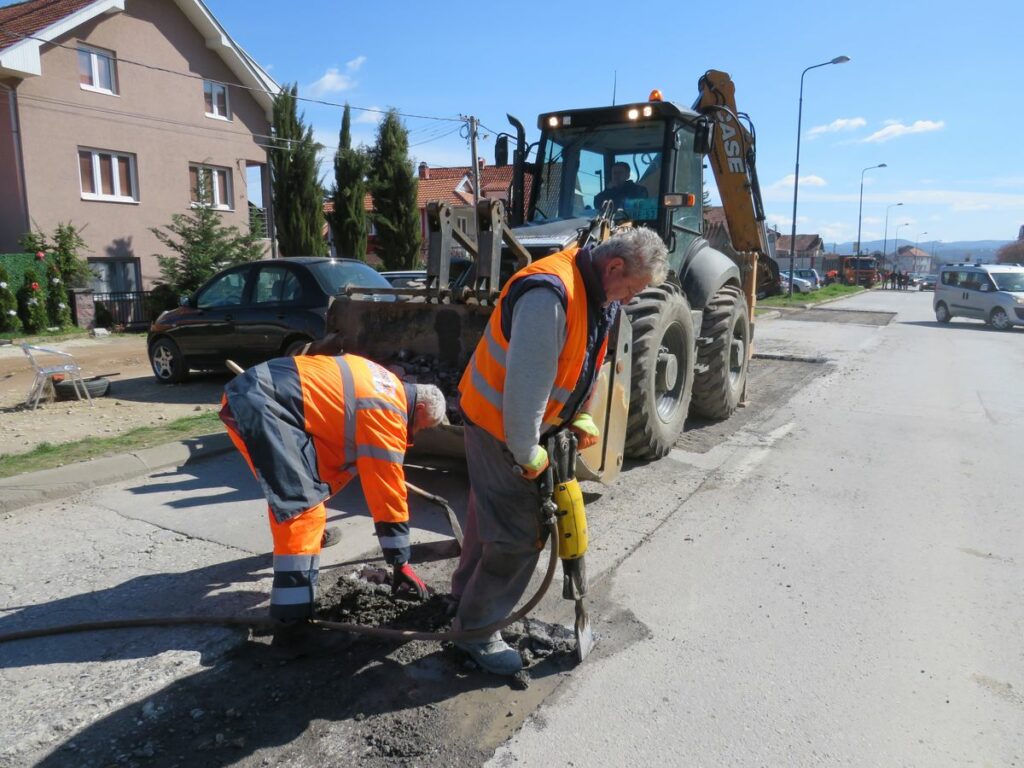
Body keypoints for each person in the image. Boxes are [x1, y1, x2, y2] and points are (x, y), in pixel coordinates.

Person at [450, 227, 669, 675]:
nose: (632, 298)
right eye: (634, 287)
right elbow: (526, 385)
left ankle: (463, 596)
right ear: (614, 268)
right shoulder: (549, 294)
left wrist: (577, 416)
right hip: (500, 422)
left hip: (515, 420)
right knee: (518, 534)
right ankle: (476, 631)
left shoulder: (599, 297)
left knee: (486, 512)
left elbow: (585, 359)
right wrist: (526, 449)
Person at [219, 350, 448, 639]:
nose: (413, 433)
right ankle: (293, 629)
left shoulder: (385, 382)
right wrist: (399, 560)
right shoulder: (389, 414)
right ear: (421, 408)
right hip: (261, 406)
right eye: (419, 427)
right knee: (302, 510)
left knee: (309, 486)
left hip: (257, 397)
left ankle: (309, 546)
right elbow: (386, 490)